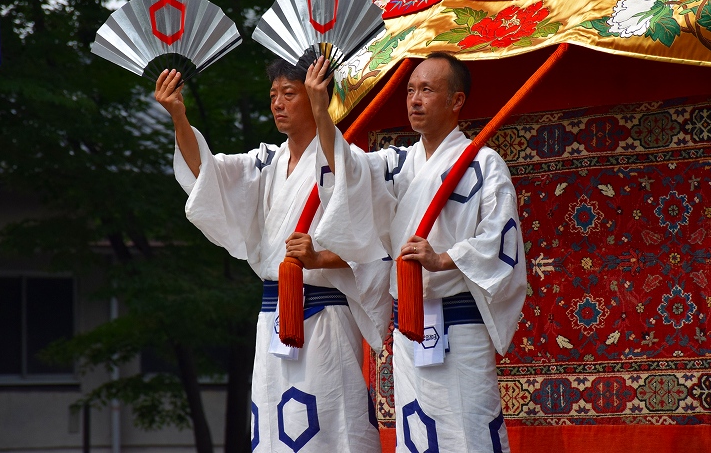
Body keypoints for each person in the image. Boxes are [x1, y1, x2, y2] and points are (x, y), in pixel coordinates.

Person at [155, 61, 388, 453]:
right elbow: (206, 175)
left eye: (289, 94)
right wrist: (178, 115)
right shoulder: (266, 163)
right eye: (273, 96)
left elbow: (374, 247)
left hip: (324, 315)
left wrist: (319, 258)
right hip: (273, 315)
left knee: (332, 424)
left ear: (316, 96)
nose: (278, 104)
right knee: (275, 426)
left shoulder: (351, 162)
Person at [305, 52, 527, 452]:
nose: (414, 100)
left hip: (459, 325)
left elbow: (501, 239)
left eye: (427, 89)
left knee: (469, 428)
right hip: (410, 325)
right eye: (410, 90)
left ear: (456, 101)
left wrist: (442, 258)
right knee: (417, 432)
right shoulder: (399, 162)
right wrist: (322, 112)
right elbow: (349, 169)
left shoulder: (483, 164)